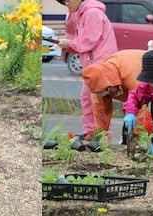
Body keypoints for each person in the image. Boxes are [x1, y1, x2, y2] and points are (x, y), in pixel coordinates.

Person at [57, 0, 118, 143]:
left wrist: (70, 43)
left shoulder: (92, 12)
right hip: (93, 64)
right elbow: (85, 41)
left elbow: (89, 40)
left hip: (100, 64)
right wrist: (71, 45)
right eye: (63, 1)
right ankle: (91, 132)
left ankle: (100, 135)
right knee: (88, 99)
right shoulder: (84, 12)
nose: (66, 3)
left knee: (98, 101)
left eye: (68, 0)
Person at [82, 49, 149, 136]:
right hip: (131, 76)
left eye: (108, 93)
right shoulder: (99, 82)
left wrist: (137, 136)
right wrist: (100, 138)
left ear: (110, 86)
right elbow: (101, 113)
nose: (109, 96)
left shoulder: (130, 75)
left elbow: (140, 104)